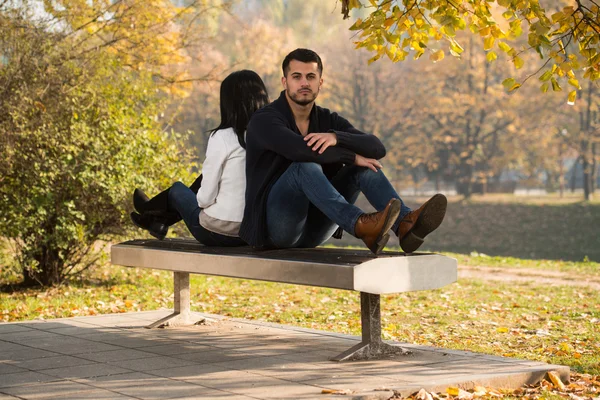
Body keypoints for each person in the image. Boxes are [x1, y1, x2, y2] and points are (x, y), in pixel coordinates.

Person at [240, 49, 447, 254]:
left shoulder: (327, 119)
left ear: (320, 83)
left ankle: (404, 224)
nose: (304, 83)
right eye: (297, 77)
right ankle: (361, 225)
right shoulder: (264, 120)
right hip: (275, 231)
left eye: (311, 77)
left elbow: (376, 147)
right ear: (285, 82)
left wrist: (337, 137)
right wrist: (352, 156)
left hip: (314, 230)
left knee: (365, 169)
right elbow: (300, 150)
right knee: (304, 168)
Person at [131, 69, 270, 246]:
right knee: (203, 179)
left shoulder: (223, 137)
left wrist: (202, 201)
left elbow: (204, 200)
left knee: (177, 190)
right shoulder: (272, 137)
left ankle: (149, 212)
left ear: (229, 103)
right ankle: (158, 221)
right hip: (255, 232)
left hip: (218, 234)